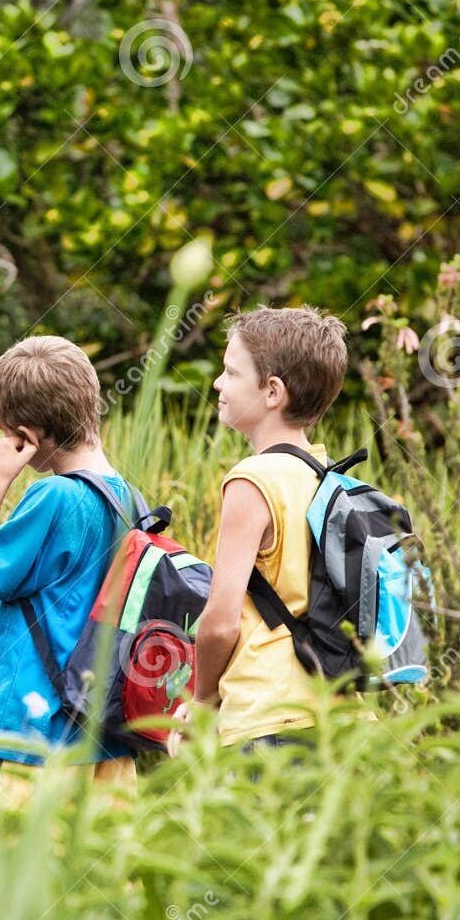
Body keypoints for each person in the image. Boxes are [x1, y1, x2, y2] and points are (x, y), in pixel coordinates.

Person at [0, 336, 136, 804]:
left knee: (14, 874)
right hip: (106, 738)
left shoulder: (55, 497)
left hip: (34, 741)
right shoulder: (130, 499)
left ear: (27, 437)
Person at [190, 306, 349, 748]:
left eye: (231, 372)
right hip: (340, 714)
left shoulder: (252, 480)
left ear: (272, 391)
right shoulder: (325, 477)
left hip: (268, 717)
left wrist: (203, 701)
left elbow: (220, 621)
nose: (219, 384)